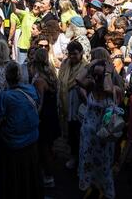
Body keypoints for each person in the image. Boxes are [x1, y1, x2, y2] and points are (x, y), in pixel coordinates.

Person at [0, 61, 44, 199]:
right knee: (29, 177)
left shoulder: (4, 96)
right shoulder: (30, 89)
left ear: (6, 77)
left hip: (12, 145)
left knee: (12, 180)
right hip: (31, 141)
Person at [76, 56, 121, 198]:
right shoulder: (91, 86)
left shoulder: (115, 89)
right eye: (95, 75)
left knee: (104, 165)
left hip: (104, 136)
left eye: (99, 75)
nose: (96, 77)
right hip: (89, 133)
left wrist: (107, 72)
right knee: (87, 161)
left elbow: (107, 87)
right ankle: (90, 187)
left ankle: (103, 190)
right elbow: (78, 79)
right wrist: (92, 63)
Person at [27, 47, 61, 187]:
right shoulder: (51, 74)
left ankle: (48, 176)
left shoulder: (39, 79)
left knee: (43, 147)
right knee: (48, 146)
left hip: (44, 117)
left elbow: (40, 102)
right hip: (51, 113)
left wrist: (35, 118)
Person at [57, 40, 86, 170]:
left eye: (75, 54)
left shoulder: (86, 67)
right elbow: (61, 81)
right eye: (70, 54)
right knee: (70, 133)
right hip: (65, 103)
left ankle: (78, 158)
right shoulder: (65, 64)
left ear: (81, 53)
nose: (72, 57)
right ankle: (73, 156)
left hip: (77, 105)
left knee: (77, 133)